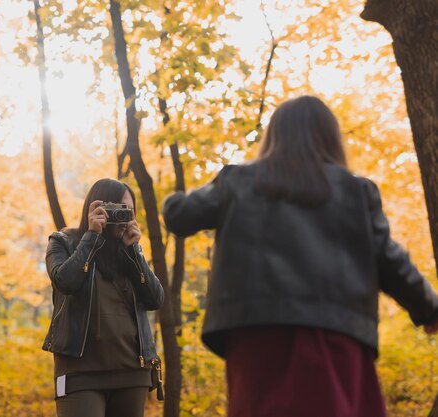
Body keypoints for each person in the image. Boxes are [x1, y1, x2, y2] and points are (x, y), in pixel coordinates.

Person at [162, 95, 438, 417]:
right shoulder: (356, 192)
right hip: (336, 334)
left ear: (274, 137)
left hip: (256, 338)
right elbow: (389, 258)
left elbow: (178, 214)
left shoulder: (237, 182)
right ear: (330, 138)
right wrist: (429, 309)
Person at [43, 178, 164, 417]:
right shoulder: (63, 242)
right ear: (96, 208)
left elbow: (155, 299)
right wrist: (91, 237)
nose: (123, 216)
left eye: (128, 210)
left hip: (131, 371)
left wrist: (135, 253)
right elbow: (65, 281)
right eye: (115, 210)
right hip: (80, 373)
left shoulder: (129, 252)